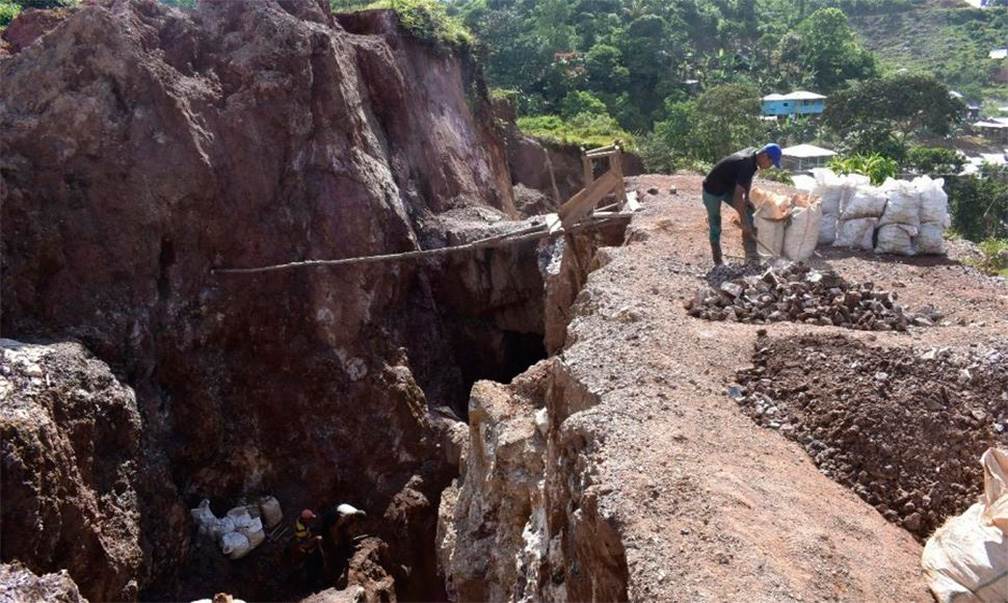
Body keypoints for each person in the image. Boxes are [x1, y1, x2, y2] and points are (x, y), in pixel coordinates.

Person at [702, 143, 782, 265]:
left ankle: (750, 256)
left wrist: (747, 199)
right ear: (765, 156)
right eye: (771, 163)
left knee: (749, 211)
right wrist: (744, 222)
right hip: (712, 190)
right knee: (716, 223)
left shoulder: (755, 156)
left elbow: (747, 178)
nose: (770, 166)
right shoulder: (746, 163)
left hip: (727, 187)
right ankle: (717, 258)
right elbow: (736, 198)